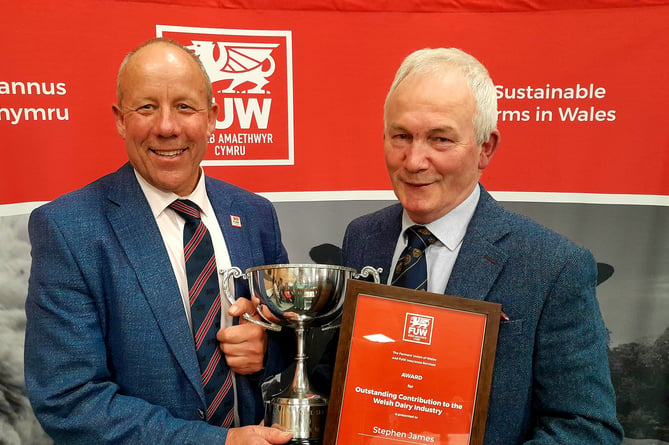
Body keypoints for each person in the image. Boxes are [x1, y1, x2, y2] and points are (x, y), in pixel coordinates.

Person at [339, 48, 624, 443]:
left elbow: (587, 428)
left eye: (440, 139)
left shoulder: (553, 265)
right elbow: (338, 376)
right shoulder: (363, 237)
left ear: (485, 148)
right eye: (401, 136)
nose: (414, 160)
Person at [24, 38, 294, 444]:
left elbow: (295, 334)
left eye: (185, 106)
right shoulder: (67, 228)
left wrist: (267, 350)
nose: (167, 127)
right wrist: (217, 443)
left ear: (212, 117)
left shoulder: (255, 214)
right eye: (146, 107)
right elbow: (69, 398)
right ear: (119, 119)